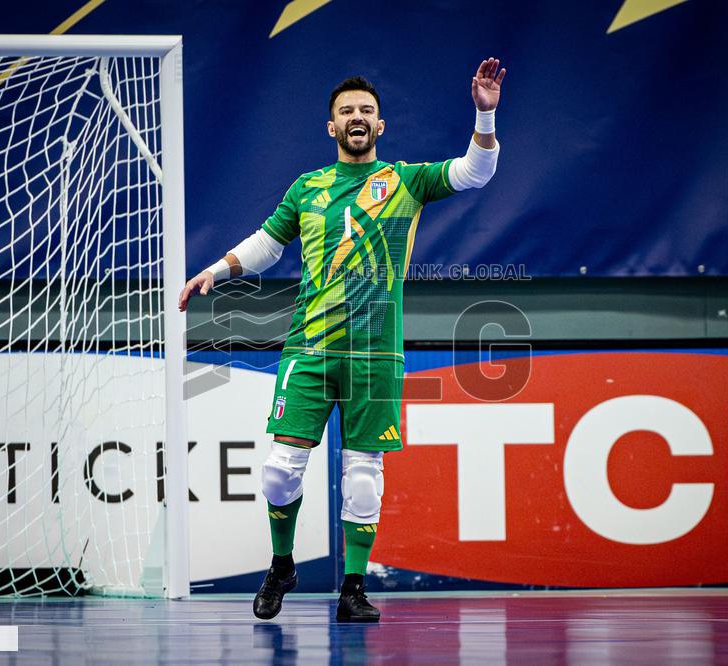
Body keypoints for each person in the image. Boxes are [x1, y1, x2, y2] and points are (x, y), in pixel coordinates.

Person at [179, 57, 506, 622]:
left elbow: (474, 173)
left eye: (367, 111)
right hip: (309, 348)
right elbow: (267, 243)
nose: (358, 117)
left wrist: (486, 115)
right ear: (332, 126)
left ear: (380, 125)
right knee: (280, 470)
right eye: (347, 111)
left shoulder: (406, 181)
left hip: (376, 353)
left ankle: (353, 590)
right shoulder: (308, 188)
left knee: (362, 477)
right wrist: (216, 270)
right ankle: (282, 565)